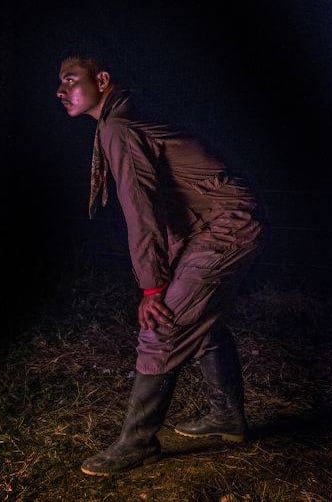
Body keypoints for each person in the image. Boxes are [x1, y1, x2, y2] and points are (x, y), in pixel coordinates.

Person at [55, 55, 269, 476]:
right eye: (58, 84)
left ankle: (137, 444)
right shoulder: (122, 116)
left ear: (102, 80)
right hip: (214, 223)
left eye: (69, 80)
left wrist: (152, 288)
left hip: (228, 224)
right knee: (199, 317)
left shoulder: (118, 126)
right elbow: (175, 199)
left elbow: (142, 210)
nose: (60, 91)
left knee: (163, 322)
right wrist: (168, 269)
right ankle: (227, 418)